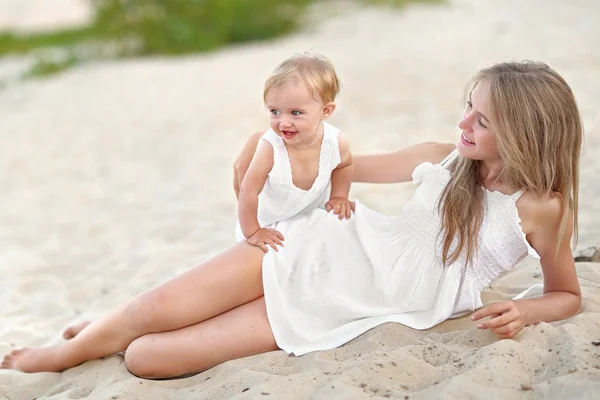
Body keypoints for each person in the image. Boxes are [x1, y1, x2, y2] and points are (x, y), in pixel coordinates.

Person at [1, 61, 583, 380]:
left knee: (149, 357)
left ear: (527, 132)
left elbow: (565, 295)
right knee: (153, 311)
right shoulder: (445, 156)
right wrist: (268, 151)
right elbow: (337, 165)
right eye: (468, 108)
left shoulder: (543, 207)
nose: (465, 124)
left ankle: (106, 331)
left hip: (353, 299)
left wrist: (526, 307)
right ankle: (59, 354)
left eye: (482, 120)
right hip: (325, 246)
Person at [235, 52, 354, 253]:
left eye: (295, 113)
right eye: (275, 111)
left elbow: (344, 165)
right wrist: (253, 232)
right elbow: (248, 190)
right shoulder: (270, 148)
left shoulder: (336, 142)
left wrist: (339, 195)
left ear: (325, 111)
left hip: (307, 220)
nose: (284, 122)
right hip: (267, 225)